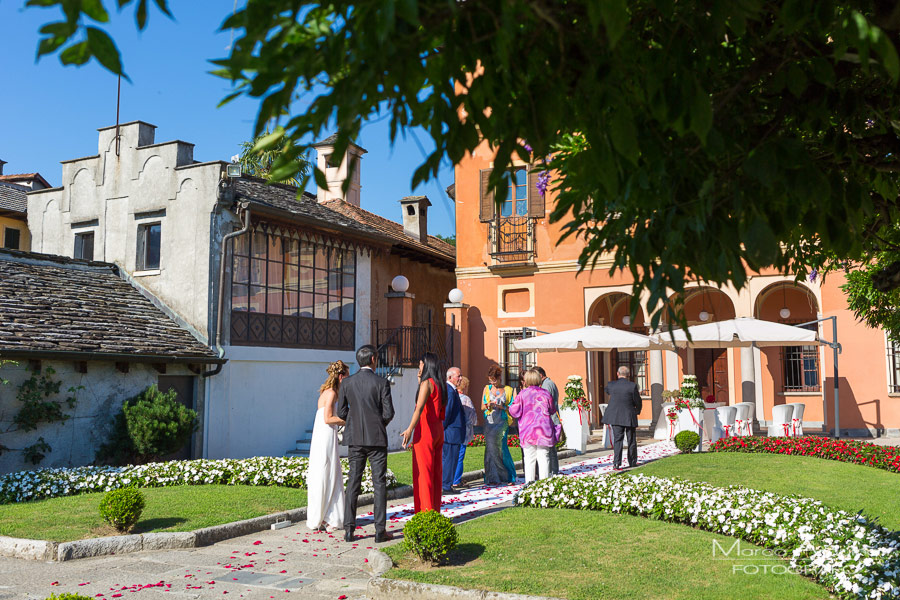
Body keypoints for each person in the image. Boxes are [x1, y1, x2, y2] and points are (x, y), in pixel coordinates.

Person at [337, 345, 395, 543]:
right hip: (376, 438)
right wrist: (378, 423)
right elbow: (389, 413)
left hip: (355, 438)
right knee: (379, 484)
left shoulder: (347, 383)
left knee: (353, 482)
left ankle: (349, 529)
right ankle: (380, 531)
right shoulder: (381, 382)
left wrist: (353, 421)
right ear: (373, 359)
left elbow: (341, 412)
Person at [401, 352, 447, 513]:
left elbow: (419, 408)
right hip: (438, 430)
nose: (419, 366)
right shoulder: (439, 383)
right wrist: (419, 381)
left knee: (423, 473)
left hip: (425, 431)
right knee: (435, 472)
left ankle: (425, 511)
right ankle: (434, 509)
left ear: (426, 364)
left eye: (420, 363)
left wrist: (409, 429)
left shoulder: (426, 384)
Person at [306, 360, 349, 532]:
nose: (347, 379)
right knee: (328, 472)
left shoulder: (326, 392)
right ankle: (328, 517)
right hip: (325, 436)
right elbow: (328, 418)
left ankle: (325, 515)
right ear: (340, 377)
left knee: (328, 472)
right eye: (346, 376)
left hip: (324, 435)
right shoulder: (331, 393)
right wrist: (347, 420)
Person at [509, 369, 561, 483]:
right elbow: (552, 410)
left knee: (529, 458)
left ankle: (530, 484)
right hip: (544, 430)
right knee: (544, 457)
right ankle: (544, 484)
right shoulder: (545, 393)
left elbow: (513, 411)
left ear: (526, 380)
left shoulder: (522, 394)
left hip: (527, 431)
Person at [481, 365, 517, 485]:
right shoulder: (487, 388)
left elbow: (513, 407)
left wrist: (502, 406)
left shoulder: (508, 390)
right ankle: (492, 477)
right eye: (490, 380)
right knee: (490, 449)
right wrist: (488, 405)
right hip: (489, 421)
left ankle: (509, 476)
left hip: (502, 421)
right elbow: (482, 406)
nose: (492, 383)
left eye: (494, 380)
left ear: (499, 377)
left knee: (502, 447)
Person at [604, 365, 643, 470]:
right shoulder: (632, 386)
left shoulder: (611, 385)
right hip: (629, 415)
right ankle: (632, 461)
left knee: (618, 440)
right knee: (631, 439)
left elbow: (607, 391)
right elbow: (637, 401)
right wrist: (637, 410)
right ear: (629, 374)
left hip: (616, 416)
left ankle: (616, 463)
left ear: (617, 374)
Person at [442, 366, 466, 493]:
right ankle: (445, 485)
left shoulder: (452, 390)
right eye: (459, 376)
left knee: (451, 460)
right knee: (449, 460)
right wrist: (442, 429)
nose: (461, 378)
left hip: (453, 432)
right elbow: (447, 412)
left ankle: (447, 484)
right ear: (450, 377)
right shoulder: (450, 391)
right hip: (451, 432)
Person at [534, 366, 560, 475]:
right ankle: (553, 470)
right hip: (552, 418)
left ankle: (552, 471)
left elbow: (545, 403)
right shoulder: (549, 383)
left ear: (540, 375)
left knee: (550, 449)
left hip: (551, 419)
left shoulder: (547, 385)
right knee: (551, 449)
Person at [452, 376, 477, 486]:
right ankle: (456, 480)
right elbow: (472, 417)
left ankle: (451, 479)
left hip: (452, 430)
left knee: (452, 456)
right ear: (465, 386)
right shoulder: (466, 399)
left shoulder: (452, 396)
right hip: (464, 431)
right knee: (460, 456)